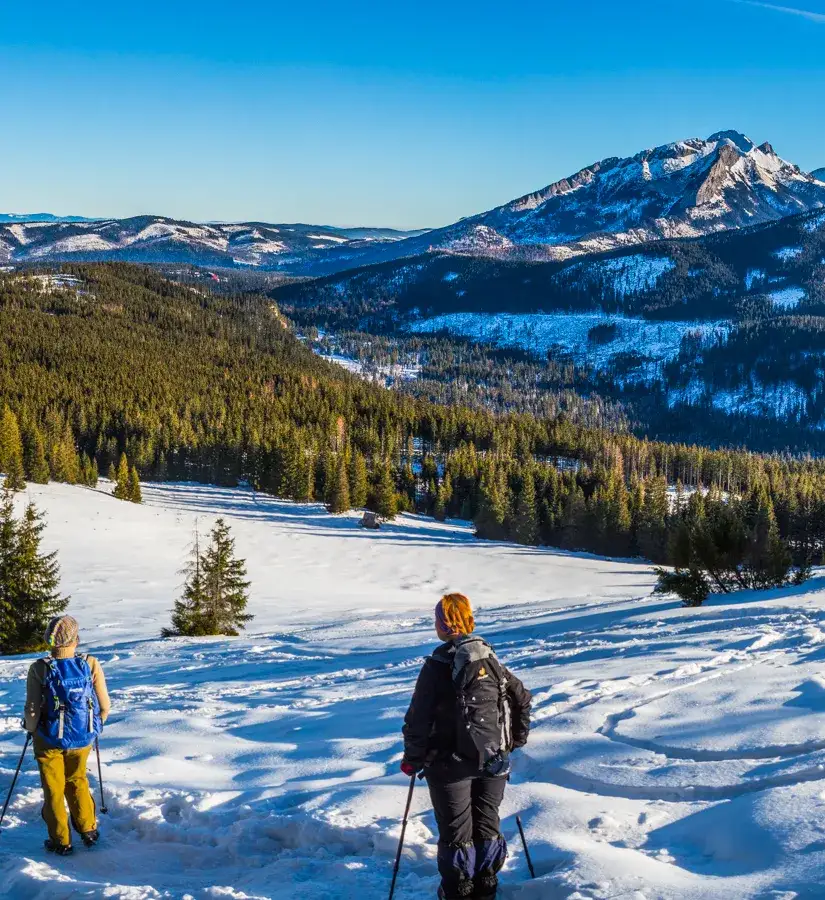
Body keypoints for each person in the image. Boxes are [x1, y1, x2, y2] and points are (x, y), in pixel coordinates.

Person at [402, 593, 532, 900]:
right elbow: (522, 699)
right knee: (487, 825)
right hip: (494, 761)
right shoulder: (489, 659)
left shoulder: (437, 666)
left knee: (456, 834)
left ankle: (458, 892)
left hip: (449, 766)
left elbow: (417, 719)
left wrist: (412, 759)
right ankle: (486, 888)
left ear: (443, 624)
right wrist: (511, 742)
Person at [23, 614, 111, 855]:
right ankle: (88, 829)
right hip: (82, 737)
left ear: (49, 641)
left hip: (48, 739)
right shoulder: (90, 663)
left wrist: (31, 729)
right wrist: (94, 726)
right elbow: (104, 705)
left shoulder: (39, 668)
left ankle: (61, 840)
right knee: (77, 780)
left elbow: (32, 708)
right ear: (75, 639)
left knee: (53, 787)